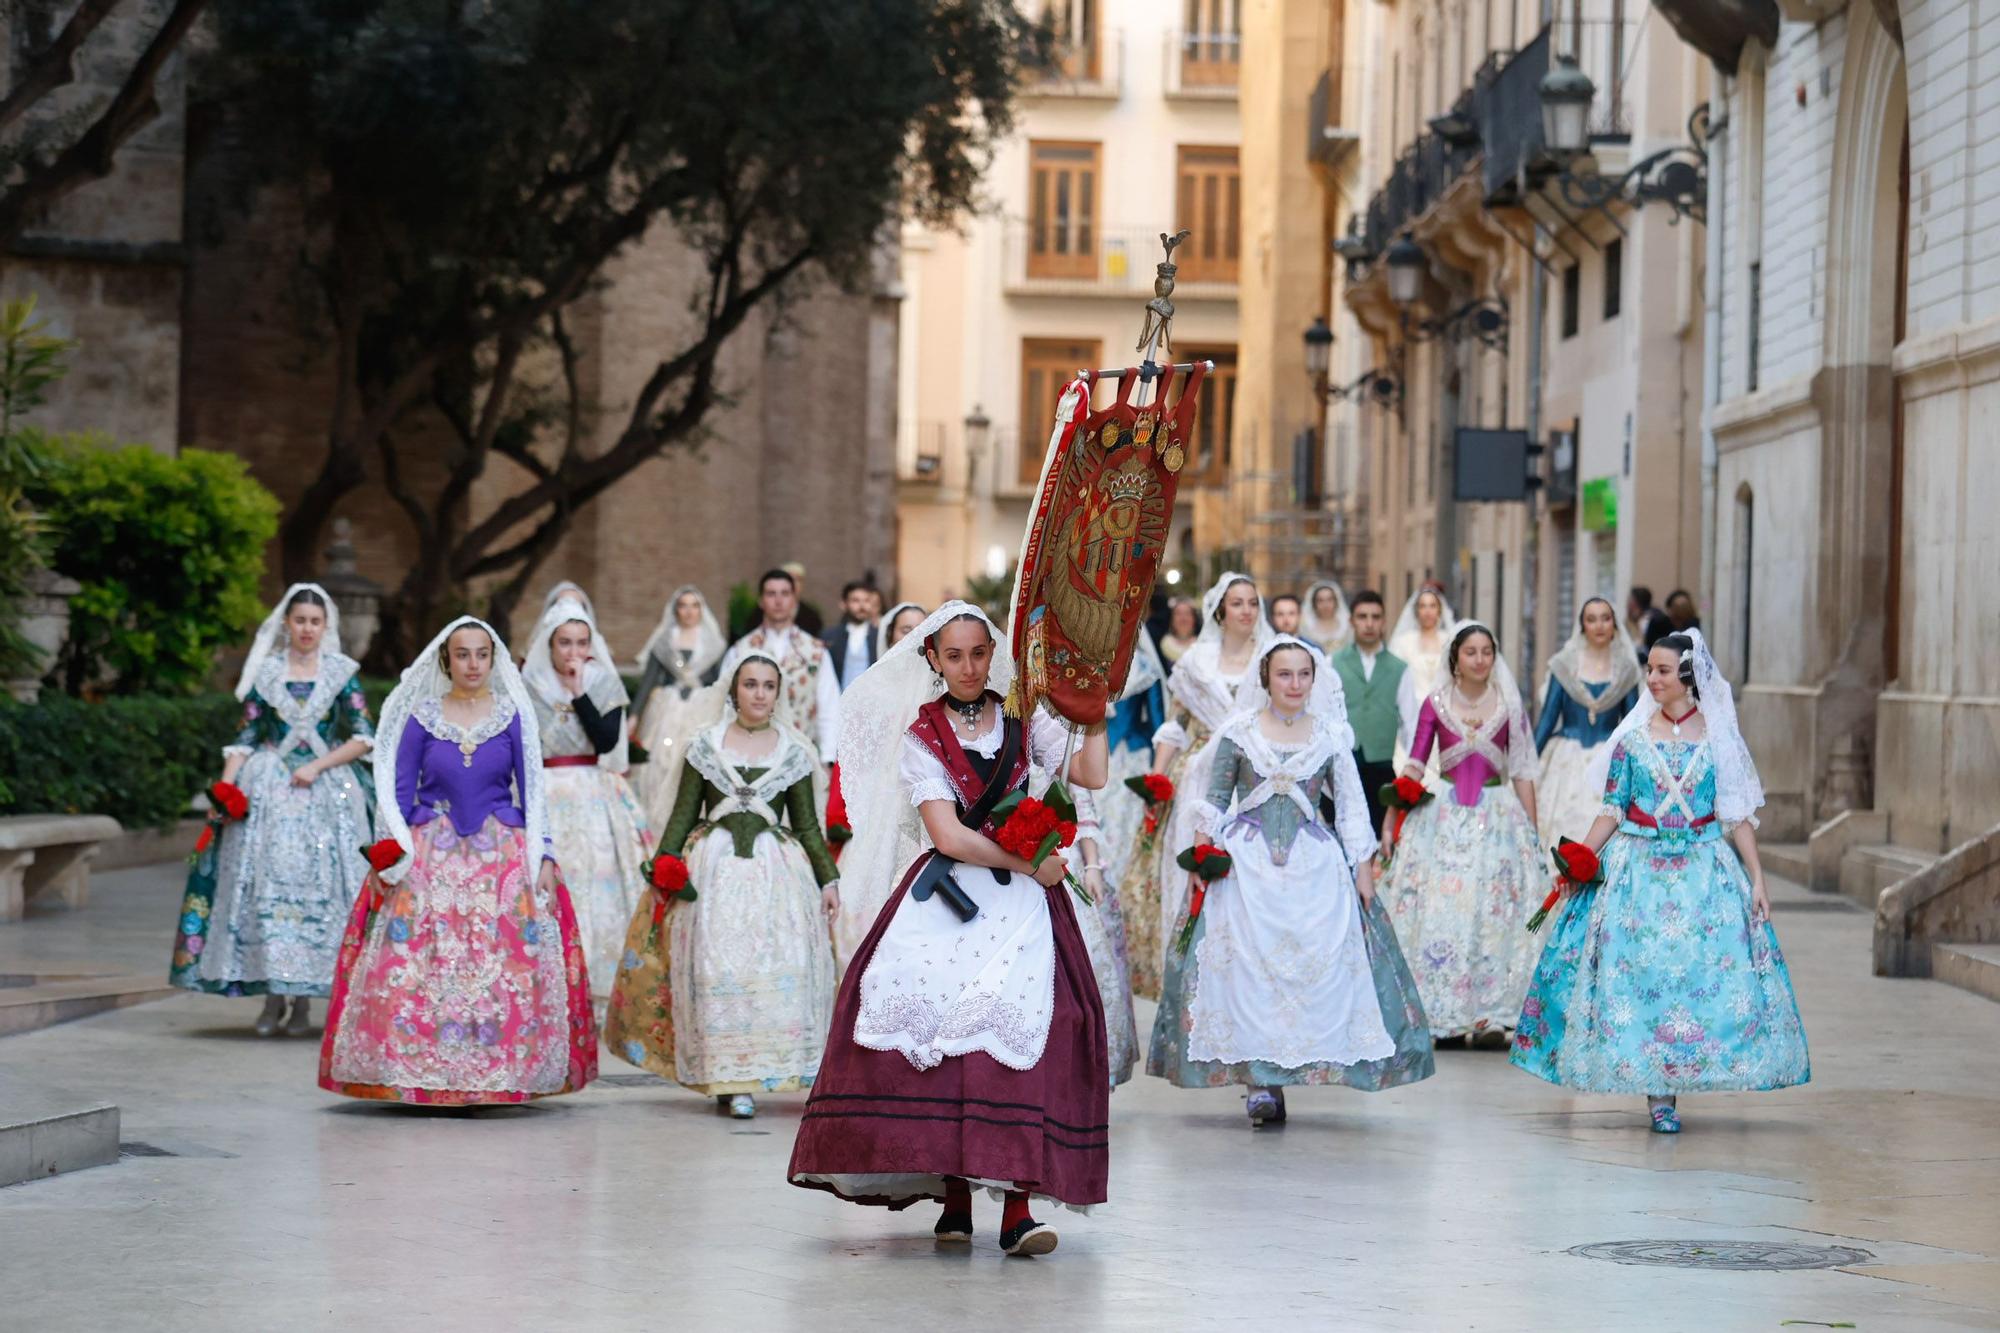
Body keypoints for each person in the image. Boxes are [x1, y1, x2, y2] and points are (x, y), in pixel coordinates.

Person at [788, 602, 1110, 1257]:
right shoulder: (921, 735)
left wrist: (1093, 709)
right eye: (953, 655)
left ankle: (1017, 1206)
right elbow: (948, 834)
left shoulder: (1024, 718)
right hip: (955, 894)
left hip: (1024, 901)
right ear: (932, 658)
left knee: (1027, 1024)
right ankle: (956, 1193)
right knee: (937, 1025)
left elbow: (1092, 772)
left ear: (992, 654)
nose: (967, 666)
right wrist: (1028, 860)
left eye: (977, 652)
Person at [1511, 631, 1809, 1133]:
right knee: (1643, 978)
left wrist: (1757, 878)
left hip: (1704, 872)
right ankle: (1659, 1094)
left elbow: (1735, 816)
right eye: (1649, 669)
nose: (1652, 678)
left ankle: (1693, 1071)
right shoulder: (1630, 740)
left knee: (1699, 980)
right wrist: (1580, 858)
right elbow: (1613, 808)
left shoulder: (1719, 738)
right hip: (1639, 874)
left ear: (1688, 677)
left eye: (1663, 670)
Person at [1149, 636, 1434, 1124]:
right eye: (1285, 674)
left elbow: (1349, 805)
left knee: (1311, 969)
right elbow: (1215, 799)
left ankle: (1297, 1067)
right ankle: (1261, 1082)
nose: (1295, 684)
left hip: (1312, 865)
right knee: (1249, 972)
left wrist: (1362, 868)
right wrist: (1202, 851)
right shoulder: (1239, 733)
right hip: (1246, 867)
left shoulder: (1329, 735)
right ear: (1266, 680)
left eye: (1304, 674)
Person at [320, 617, 597, 1104]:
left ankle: (497, 1070)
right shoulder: (423, 716)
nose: (473, 664)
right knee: (422, 956)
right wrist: (393, 852)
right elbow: (401, 792)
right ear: (446, 660)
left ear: (494, 660)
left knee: (503, 958)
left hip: (500, 850)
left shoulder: (512, 715)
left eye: (482, 654)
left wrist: (544, 854)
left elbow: (532, 792)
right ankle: (419, 1068)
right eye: (463, 654)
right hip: (432, 850)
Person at [605, 652, 840, 1119]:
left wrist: (828, 879)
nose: (758, 694)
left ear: (778, 694)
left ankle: (769, 1066)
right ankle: (728, 1078)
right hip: (715, 871)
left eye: (768, 686)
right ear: (733, 691)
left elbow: (808, 826)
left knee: (778, 964)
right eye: (749, 684)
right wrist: (664, 866)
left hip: (777, 875)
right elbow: (682, 815)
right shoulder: (705, 746)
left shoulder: (793, 752)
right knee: (715, 967)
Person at [169, 584, 375, 1036]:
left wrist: (318, 766)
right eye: (300, 620)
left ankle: (303, 1003)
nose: (307, 629)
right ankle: (271, 998)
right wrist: (226, 788)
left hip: (325, 794)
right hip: (268, 791)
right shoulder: (267, 673)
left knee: (319, 894)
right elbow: (244, 737)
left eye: (315, 622)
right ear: (286, 623)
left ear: (326, 627)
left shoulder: (341, 673)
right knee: (263, 892)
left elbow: (363, 736)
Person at [1377, 622, 1544, 1045]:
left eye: (1487, 651)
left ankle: (1490, 1015)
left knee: (1494, 913)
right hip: (1444, 817)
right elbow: (1416, 762)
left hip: (1498, 817)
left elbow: (1522, 771)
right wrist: (1392, 815)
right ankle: (1444, 1015)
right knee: (1443, 912)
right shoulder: (1435, 703)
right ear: (1456, 658)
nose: (1480, 659)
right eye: (1471, 652)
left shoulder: (1508, 705)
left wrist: (1532, 830)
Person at [1116, 572, 1270, 1000]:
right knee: (1191, 873)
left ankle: (1247, 977)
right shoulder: (1194, 665)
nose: (1246, 611)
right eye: (1237, 603)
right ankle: (1193, 979)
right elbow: (1174, 726)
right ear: (1220, 610)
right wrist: (1159, 779)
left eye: (1253, 603)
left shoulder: (1271, 659)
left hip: (1251, 776)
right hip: (1198, 776)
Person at [523, 594, 653, 1012]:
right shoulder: (529, 685)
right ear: (550, 644)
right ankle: (543, 983)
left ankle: (593, 988)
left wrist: (580, 692)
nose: (574, 652)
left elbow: (606, 741)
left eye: (582, 643)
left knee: (595, 889)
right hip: (546, 790)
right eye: (565, 643)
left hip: (591, 792)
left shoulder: (603, 683)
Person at [1533, 597, 1642, 846]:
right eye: (1591, 619)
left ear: (1614, 624)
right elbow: (1548, 719)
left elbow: (1633, 724)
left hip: (1609, 758)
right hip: (1567, 759)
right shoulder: (1564, 666)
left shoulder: (1626, 670)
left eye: (1605, 618)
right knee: (1563, 821)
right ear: (1582, 626)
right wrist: (1528, 763)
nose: (1599, 625)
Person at [631, 585, 728, 829]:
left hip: (700, 710)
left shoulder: (713, 644)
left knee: (693, 761)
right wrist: (633, 715)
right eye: (683, 606)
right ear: (675, 610)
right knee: (660, 762)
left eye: (694, 606)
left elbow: (721, 683)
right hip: (667, 711)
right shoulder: (664, 642)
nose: (688, 611)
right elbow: (648, 681)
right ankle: (656, 822)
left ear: (701, 610)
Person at [722, 568, 840, 763]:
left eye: (785, 594)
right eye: (771, 594)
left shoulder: (816, 652)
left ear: (795, 599)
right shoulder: (740, 651)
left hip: (801, 758)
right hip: (749, 758)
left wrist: (827, 758)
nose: (778, 601)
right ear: (761, 600)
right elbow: (726, 705)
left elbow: (829, 708)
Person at [1330, 590, 1406, 835]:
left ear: (1384, 621)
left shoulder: (1400, 669)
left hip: (1382, 765)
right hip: (1343, 764)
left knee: (1380, 835)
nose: (1369, 623)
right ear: (1352, 620)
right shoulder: (1333, 662)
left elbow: (1411, 723)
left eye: (1376, 617)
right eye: (1362, 616)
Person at [1389, 582, 1457, 790]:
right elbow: (1395, 680)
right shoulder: (1403, 642)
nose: (1428, 611)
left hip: (1446, 711)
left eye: (1432, 606)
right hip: (1410, 715)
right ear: (1416, 611)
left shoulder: (1450, 640)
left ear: (1440, 610)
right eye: (1423, 606)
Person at [823, 579, 882, 692]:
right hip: (837, 701)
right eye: (855, 600)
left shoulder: (880, 636)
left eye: (866, 601)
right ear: (843, 604)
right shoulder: (829, 636)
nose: (862, 606)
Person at [1300, 580, 1353, 657]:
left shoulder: (1346, 626)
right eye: (1320, 600)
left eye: (1330, 599)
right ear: (1314, 603)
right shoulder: (1305, 627)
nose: (1325, 605)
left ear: (1336, 601)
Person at [1627, 586, 1672, 660]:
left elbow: (1642, 648)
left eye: (1629, 601)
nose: (1627, 605)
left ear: (1634, 603)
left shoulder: (1648, 621)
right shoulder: (1645, 618)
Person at [1159, 596, 1200, 665]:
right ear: (1171, 619)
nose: (1183, 618)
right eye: (1178, 614)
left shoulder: (1203, 644)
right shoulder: (1164, 644)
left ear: (1194, 619)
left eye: (1187, 613)